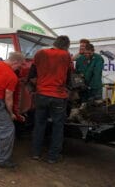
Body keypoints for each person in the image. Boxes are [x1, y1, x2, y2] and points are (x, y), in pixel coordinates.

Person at [30, 35, 72, 164]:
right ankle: (53, 157)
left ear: (55, 43)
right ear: (66, 46)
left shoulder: (40, 53)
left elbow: (32, 75)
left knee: (39, 124)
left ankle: (36, 153)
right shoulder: (66, 56)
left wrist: (40, 86)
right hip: (58, 96)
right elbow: (69, 77)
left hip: (41, 95)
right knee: (57, 126)